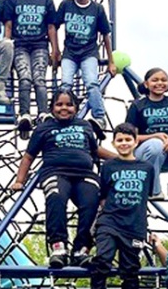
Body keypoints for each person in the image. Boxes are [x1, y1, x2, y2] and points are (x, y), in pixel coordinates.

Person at [11, 89, 107, 269]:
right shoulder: (43, 128)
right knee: (56, 198)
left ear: (76, 107)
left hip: (84, 174)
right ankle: (58, 247)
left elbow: (95, 151)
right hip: (55, 171)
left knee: (92, 201)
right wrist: (19, 180)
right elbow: (29, 156)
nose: (64, 108)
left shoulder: (85, 125)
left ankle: (82, 249)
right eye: (59, 104)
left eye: (69, 105)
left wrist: (119, 158)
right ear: (52, 108)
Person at [85, 123, 154, 289]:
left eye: (128, 139)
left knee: (131, 269)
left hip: (134, 225)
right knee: (103, 257)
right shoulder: (109, 167)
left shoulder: (147, 168)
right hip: (110, 221)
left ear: (135, 141)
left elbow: (146, 195)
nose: (124, 143)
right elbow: (104, 195)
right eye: (119, 140)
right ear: (113, 143)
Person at [4, 0, 59, 136]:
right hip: (19, 45)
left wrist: (55, 50)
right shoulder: (13, 0)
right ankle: (24, 114)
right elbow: (9, 26)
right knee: (25, 78)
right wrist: (6, 47)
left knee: (39, 78)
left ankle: (43, 112)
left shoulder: (46, 0)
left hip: (40, 45)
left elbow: (51, 27)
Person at [56, 0, 114, 136]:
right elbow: (53, 25)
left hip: (89, 52)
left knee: (91, 83)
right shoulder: (66, 5)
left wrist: (111, 61)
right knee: (65, 84)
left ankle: (99, 117)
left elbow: (105, 35)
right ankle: (65, 115)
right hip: (70, 53)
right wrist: (55, 51)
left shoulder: (97, 9)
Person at [125, 68, 168, 200]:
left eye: (163, 80)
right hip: (147, 152)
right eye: (155, 80)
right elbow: (130, 137)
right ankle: (154, 189)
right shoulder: (138, 105)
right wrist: (154, 136)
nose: (159, 83)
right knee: (155, 145)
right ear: (146, 84)